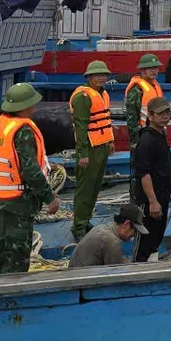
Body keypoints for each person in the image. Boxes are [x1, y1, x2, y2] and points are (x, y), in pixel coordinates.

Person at [0, 83, 59, 274]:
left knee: (1, 252)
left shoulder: (1, 124)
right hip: (17, 203)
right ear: (25, 106)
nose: (35, 108)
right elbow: (31, 170)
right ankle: (12, 298)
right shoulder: (22, 131)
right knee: (17, 258)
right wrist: (49, 198)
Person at [70, 60, 115, 241]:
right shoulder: (83, 97)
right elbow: (80, 126)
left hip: (102, 146)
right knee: (85, 189)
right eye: (98, 75)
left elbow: (106, 119)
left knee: (95, 187)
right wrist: (82, 154)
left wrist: (110, 141)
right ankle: (78, 226)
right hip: (89, 147)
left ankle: (86, 220)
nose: (102, 77)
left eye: (104, 74)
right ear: (89, 77)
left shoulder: (102, 94)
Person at [132, 97, 171, 262]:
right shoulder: (146, 141)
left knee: (156, 238)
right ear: (150, 115)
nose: (165, 116)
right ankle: (138, 270)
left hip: (162, 196)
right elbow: (144, 173)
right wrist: (152, 201)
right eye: (160, 113)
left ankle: (152, 267)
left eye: (167, 112)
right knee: (144, 241)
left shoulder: (161, 133)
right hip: (150, 200)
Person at [68, 203, 150, 268]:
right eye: (135, 231)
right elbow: (117, 273)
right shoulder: (112, 240)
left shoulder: (101, 228)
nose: (134, 235)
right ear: (127, 224)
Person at [125, 54, 163, 155]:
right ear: (142, 70)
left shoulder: (155, 85)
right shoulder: (136, 90)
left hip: (157, 132)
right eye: (150, 68)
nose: (154, 71)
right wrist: (134, 142)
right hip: (143, 134)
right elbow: (131, 118)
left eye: (155, 68)